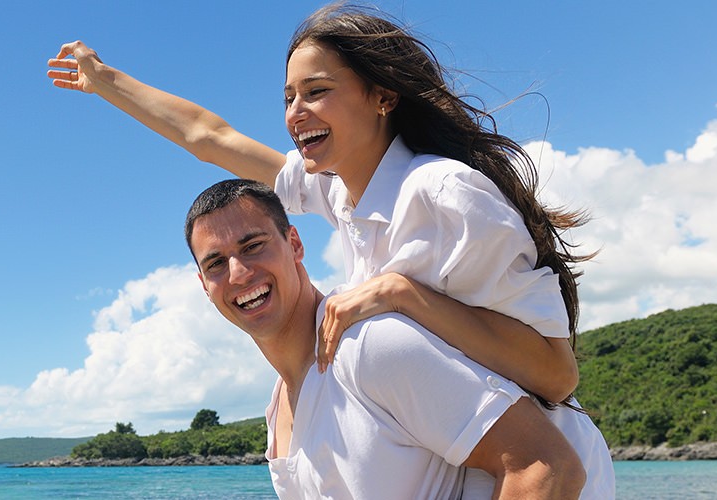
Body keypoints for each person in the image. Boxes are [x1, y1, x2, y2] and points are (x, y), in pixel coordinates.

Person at [48, 4, 591, 408]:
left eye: (316, 92)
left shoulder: (445, 191)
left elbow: (556, 375)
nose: (295, 113)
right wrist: (106, 81)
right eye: (288, 98)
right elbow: (208, 137)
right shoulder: (339, 192)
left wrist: (401, 294)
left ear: (383, 96)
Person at [186, 179, 612, 499]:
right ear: (204, 286)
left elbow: (546, 466)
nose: (238, 273)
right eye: (216, 263)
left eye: (254, 246)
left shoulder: (370, 347)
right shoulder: (279, 407)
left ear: (294, 244)